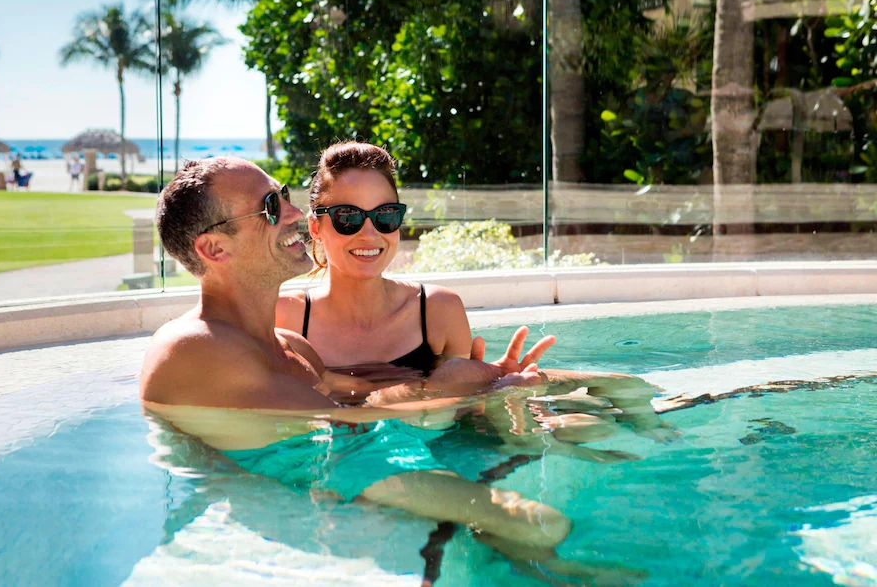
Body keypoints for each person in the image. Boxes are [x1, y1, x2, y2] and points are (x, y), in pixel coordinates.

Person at [140, 157, 584, 567]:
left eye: (285, 195)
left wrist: (498, 381)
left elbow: (366, 398)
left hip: (352, 454)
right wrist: (448, 385)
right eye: (271, 207)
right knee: (539, 523)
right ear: (215, 249)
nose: (295, 214)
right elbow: (338, 419)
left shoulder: (291, 345)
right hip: (328, 468)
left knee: (541, 509)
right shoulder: (192, 347)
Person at [276, 140, 673, 439]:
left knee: (586, 424)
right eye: (347, 217)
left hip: (431, 441)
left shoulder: (437, 309)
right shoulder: (287, 317)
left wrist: (498, 387)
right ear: (315, 227)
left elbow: (462, 420)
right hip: (349, 452)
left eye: (385, 216)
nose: (369, 233)